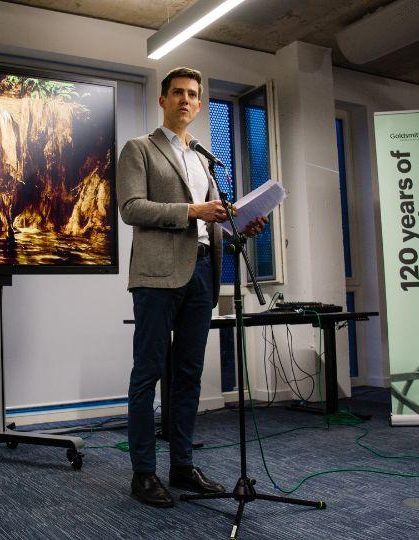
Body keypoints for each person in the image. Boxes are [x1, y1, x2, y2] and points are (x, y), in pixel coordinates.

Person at [116, 67, 266, 508]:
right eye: (178, 92)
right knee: (148, 373)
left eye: (193, 94)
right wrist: (193, 210)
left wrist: (240, 227)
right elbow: (131, 208)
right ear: (162, 100)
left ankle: (181, 466)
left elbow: (208, 225)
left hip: (203, 273)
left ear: (199, 105)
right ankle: (143, 473)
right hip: (157, 275)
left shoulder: (204, 158)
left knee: (188, 373)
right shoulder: (139, 149)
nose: (186, 99)